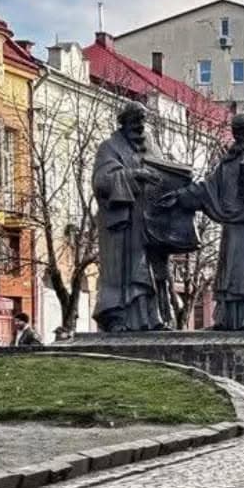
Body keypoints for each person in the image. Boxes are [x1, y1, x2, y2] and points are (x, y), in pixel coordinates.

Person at [160, 113, 244, 330]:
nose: (237, 139)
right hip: (234, 229)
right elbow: (208, 188)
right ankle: (230, 319)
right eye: (235, 134)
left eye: (241, 134)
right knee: (232, 274)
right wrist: (180, 196)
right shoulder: (229, 161)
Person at [93, 102, 169, 332]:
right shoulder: (109, 148)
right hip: (123, 224)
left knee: (150, 271)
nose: (140, 126)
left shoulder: (152, 148)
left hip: (150, 221)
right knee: (124, 272)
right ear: (124, 123)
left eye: (142, 121)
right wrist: (135, 174)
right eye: (135, 120)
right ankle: (118, 318)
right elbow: (101, 181)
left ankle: (153, 319)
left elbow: (164, 174)